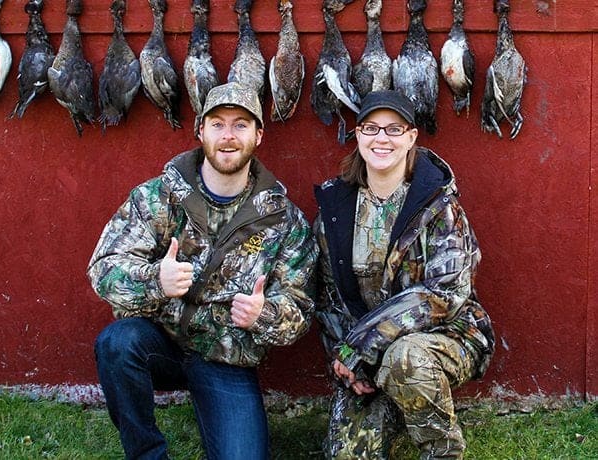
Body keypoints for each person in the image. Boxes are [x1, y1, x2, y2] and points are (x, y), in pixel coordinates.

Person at [88, 82, 318, 460]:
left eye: (241, 124)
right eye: (217, 124)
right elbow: (103, 269)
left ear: (259, 135)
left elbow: (301, 308)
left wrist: (264, 316)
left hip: (225, 355)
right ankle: (146, 453)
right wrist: (155, 282)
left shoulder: (283, 220)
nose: (228, 136)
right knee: (117, 342)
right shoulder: (158, 196)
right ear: (201, 130)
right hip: (158, 344)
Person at [313, 90, 495, 459]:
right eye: (371, 128)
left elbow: (445, 294)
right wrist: (348, 362)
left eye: (394, 129)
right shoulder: (334, 211)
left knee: (404, 358)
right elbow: (328, 298)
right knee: (348, 455)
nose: (382, 138)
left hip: (445, 336)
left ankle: (441, 450)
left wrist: (361, 347)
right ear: (358, 135)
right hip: (363, 352)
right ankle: (392, 408)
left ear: (411, 137)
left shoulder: (438, 205)